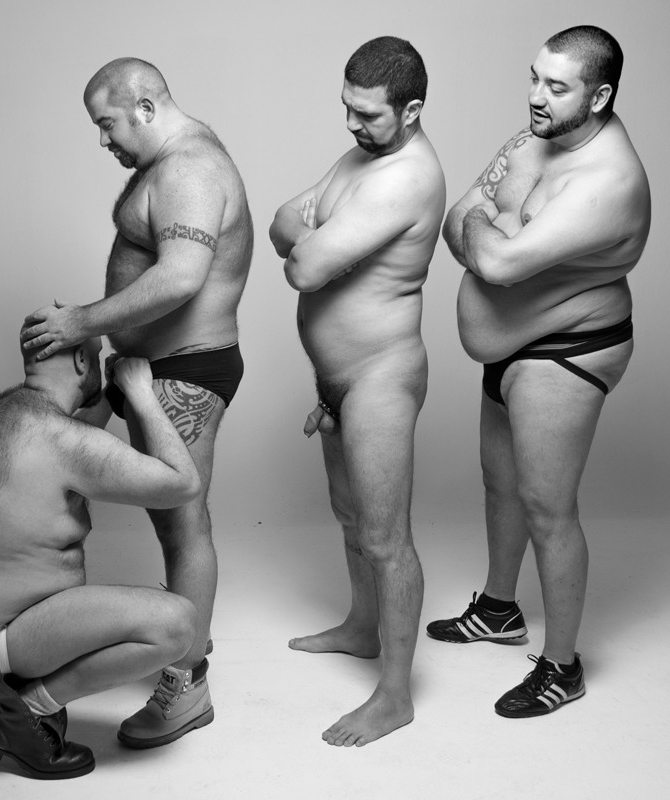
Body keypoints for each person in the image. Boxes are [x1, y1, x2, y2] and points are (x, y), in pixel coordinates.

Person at [19, 58, 252, 748]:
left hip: (184, 372)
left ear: (146, 108)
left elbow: (181, 277)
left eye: (108, 124)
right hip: (142, 367)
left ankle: (187, 684)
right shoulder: (166, 163)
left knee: (183, 526)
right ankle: (27, 642)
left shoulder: (191, 168)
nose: (103, 140)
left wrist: (81, 322)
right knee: (43, 481)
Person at [429, 25, 650, 718]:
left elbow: (493, 260)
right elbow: (455, 217)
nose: (535, 96)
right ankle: (499, 609)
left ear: (599, 96)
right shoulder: (538, 136)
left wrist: (489, 225)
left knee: (549, 509)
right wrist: (489, 225)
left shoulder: (607, 182)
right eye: (534, 77)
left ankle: (562, 666)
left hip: (567, 351)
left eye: (556, 86)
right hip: (513, 344)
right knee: (502, 485)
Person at [0, 327, 202, 779]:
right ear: (82, 362)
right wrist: (141, 392)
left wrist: (109, 397)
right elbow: (182, 484)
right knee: (177, 625)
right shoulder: (60, 439)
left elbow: (71, 445)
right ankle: (24, 712)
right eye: (96, 354)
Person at [269, 36, 445, 747]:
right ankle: (362, 627)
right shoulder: (359, 158)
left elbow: (302, 267)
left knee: (385, 538)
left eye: (367, 114)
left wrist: (313, 236)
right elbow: (281, 222)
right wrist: (310, 234)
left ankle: (395, 697)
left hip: (380, 378)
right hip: (337, 380)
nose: (351, 123)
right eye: (347, 107)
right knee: (350, 519)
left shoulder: (406, 177)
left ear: (412, 110)